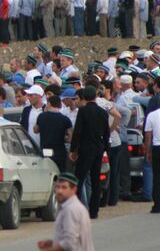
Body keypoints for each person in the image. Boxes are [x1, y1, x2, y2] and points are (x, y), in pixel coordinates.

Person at [69, 86, 109, 219]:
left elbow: (78, 132)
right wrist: (103, 148)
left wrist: (73, 149)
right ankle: (94, 211)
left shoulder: (83, 111)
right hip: (98, 148)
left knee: (79, 179)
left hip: (85, 149)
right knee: (95, 180)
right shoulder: (103, 112)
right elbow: (107, 133)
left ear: (84, 97)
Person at [37, 173, 94, 251]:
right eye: (57, 187)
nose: (60, 191)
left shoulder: (71, 210)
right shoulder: (73, 206)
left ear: (74, 189)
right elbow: (73, 238)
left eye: (64, 187)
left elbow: (69, 243)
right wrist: (52, 243)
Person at [34, 95, 72, 172]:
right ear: (60, 105)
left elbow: (35, 130)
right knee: (60, 172)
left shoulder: (41, 116)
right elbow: (70, 137)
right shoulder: (65, 119)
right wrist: (64, 138)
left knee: (45, 173)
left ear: (49, 104)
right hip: (59, 151)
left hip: (45, 150)